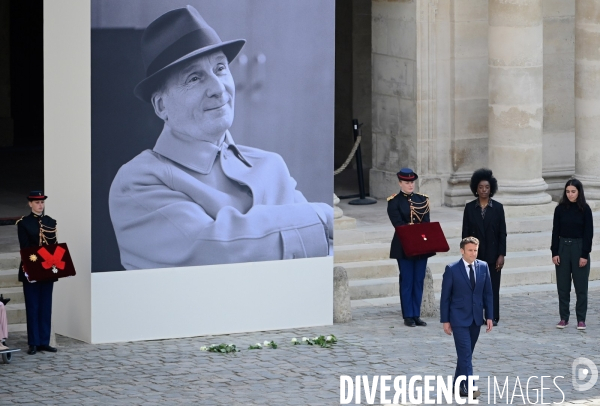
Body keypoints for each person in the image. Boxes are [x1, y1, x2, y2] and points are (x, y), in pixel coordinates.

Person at [109, 5, 332, 270]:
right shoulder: (137, 181)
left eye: (220, 68)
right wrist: (321, 216)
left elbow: (325, 255)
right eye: (194, 78)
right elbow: (213, 251)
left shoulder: (271, 166)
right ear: (161, 106)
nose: (218, 88)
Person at [440, 237, 493, 399]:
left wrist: (489, 316)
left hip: (476, 319)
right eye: (470, 250)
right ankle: (471, 387)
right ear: (462, 251)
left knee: (466, 354)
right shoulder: (452, 269)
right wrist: (445, 320)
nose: (473, 253)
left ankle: (457, 386)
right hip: (458, 319)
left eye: (475, 250)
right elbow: (445, 297)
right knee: (465, 354)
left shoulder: (483, 267)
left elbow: (488, 293)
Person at [387, 168, 433, 327]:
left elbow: (426, 221)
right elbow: (398, 225)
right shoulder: (394, 202)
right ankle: (408, 315)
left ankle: (416, 314)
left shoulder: (422, 199)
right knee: (407, 280)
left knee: (418, 280)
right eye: (407, 182)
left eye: (412, 182)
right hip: (404, 245)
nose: (410, 185)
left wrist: (423, 237)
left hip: (421, 245)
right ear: (400, 183)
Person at [461, 168, 506, 326]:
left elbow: (502, 233)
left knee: (493, 287)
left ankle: (492, 316)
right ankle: (476, 316)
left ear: (491, 188)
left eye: (487, 187)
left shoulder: (498, 208)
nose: (484, 190)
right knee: (476, 288)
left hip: (493, 254)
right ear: (476, 189)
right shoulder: (469, 208)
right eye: (480, 187)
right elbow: (465, 234)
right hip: (475, 255)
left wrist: (502, 254)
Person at [16, 191, 58, 355]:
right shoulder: (24, 223)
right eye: (36, 202)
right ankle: (33, 342)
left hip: (47, 267)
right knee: (33, 306)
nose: (40, 205)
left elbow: (53, 246)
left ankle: (44, 341)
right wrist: (38, 263)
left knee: (46, 306)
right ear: (30, 204)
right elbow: (25, 248)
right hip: (31, 267)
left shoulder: (50, 221)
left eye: (42, 202)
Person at [551, 178, 593, 330]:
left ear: (579, 192)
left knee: (581, 286)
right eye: (568, 191)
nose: (570, 194)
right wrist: (554, 252)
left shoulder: (585, 209)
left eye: (573, 192)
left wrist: (584, 254)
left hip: (579, 247)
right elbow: (555, 231)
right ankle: (564, 318)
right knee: (563, 286)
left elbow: (589, 233)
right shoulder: (560, 209)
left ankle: (581, 319)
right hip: (563, 247)